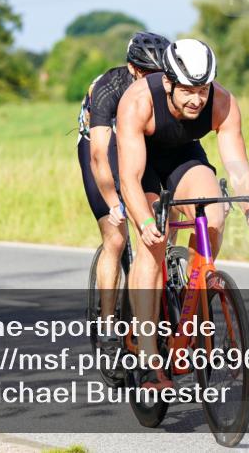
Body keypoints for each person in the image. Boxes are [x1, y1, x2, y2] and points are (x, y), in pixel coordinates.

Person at [116, 38, 249, 390]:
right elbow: (128, 177)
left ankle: (193, 294)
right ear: (169, 82)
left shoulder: (222, 102)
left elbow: (236, 166)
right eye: (188, 90)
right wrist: (144, 222)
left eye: (202, 89)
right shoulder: (138, 101)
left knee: (214, 212)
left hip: (183, 158)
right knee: (153, 245)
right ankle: (147, 358)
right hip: (142, 164)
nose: (196, 99)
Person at [77, 31, 170, 333]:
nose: (153, 80)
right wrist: (113, 202)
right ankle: (106, 325)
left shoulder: (171, 87)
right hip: (101, 147)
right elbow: (99, 156)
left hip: (139, 144)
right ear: (132, 68)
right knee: (116, 238)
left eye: (160, 74)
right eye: (146, 73)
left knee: (162, 221)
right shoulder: (108, 88)